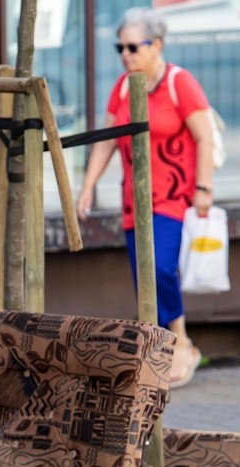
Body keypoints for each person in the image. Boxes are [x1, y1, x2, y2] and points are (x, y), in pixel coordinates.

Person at [76, 7, 214, 389]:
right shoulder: (123, 87)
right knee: (143, 276)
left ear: (157, 45)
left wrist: (204, 188)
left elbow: (204, 136)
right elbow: (104, 144)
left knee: (162, 268)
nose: (125, 54)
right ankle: (158, 351)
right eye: (120, 47)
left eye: (133, 47)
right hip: (132, 200)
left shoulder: (178, 82)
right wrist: (87, 185)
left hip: (173, 196)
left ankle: (183, 344)